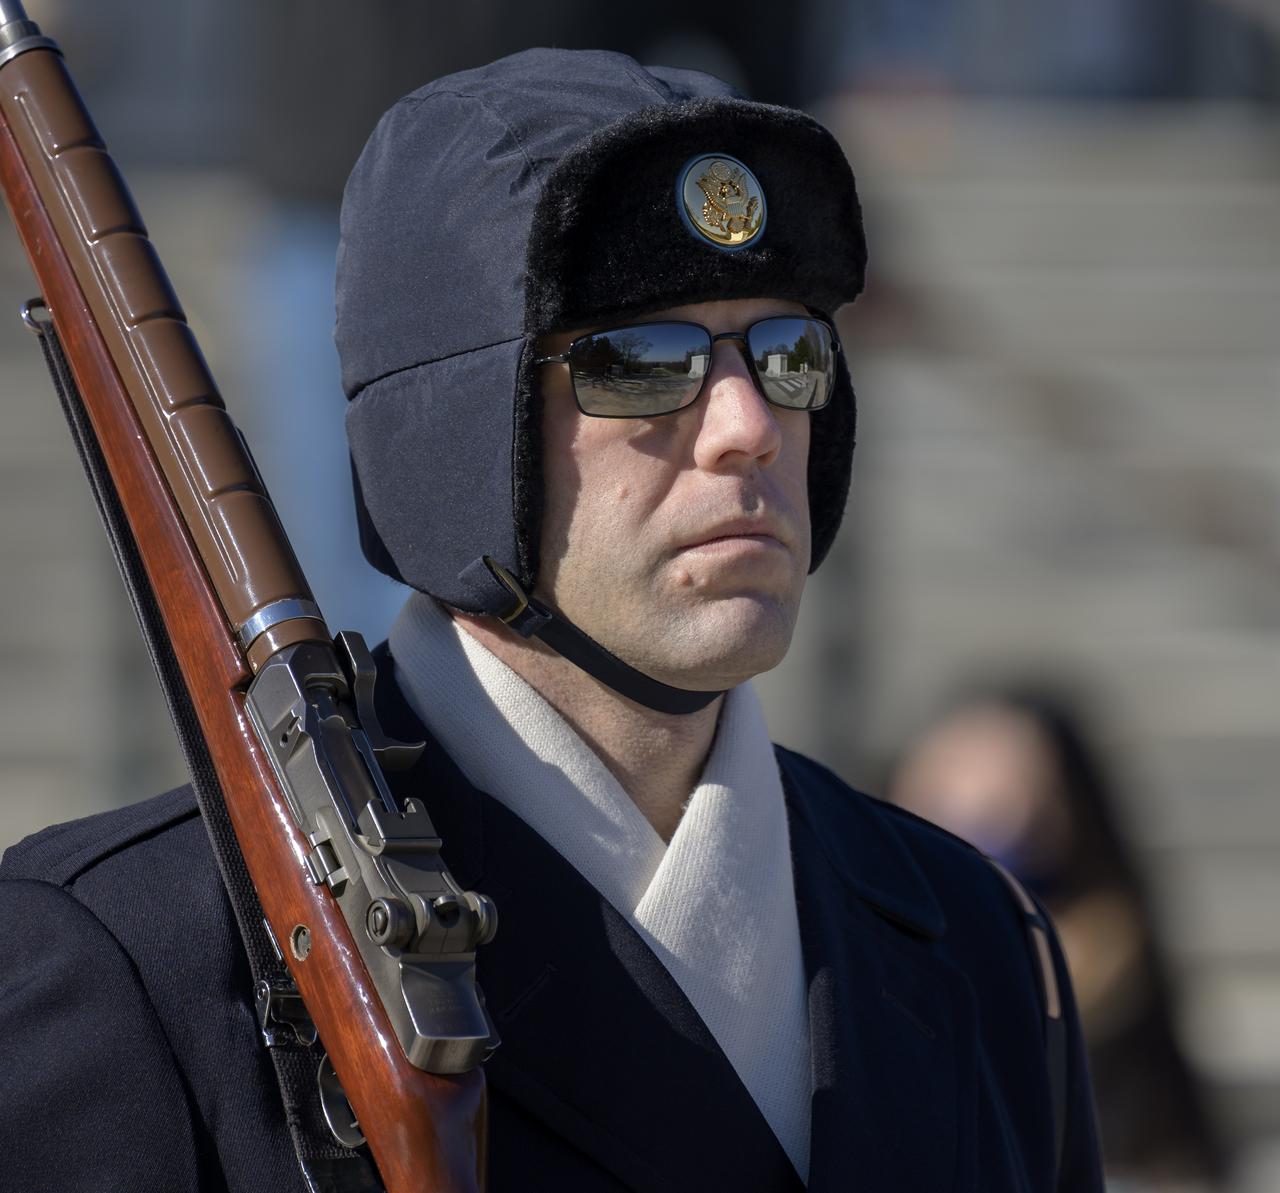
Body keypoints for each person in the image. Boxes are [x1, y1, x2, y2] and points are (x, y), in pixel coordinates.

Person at [0, 49, 1104, 1192]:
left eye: (786, 352)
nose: (747, 425)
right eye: (642, 359)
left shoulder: (977, 941)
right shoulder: (130, 964)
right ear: (454, 431)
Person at [889, 685, 1228, 1190]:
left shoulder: (1094, 944)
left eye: (1015, 787)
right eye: (955, 778)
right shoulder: (859, 915)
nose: (982, 809)